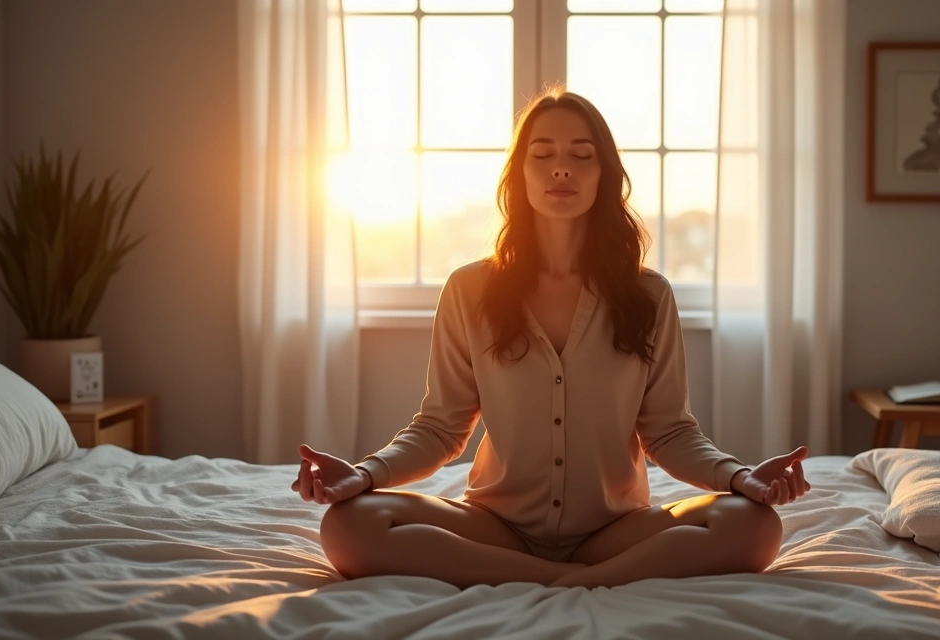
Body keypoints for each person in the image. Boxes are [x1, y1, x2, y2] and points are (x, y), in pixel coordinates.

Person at [292, 86, 811, 590]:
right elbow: (441, 428)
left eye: (582, 155)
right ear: (519, 173)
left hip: (615, 531)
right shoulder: (469, 289)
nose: (561, 168)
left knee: (756, 525)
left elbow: (670, 433)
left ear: (605, 174)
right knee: (347, 524)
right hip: (496, 527)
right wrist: (364, 476)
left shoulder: (648, 295)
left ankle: (564, 578)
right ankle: (574, 584)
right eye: (543, 154)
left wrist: (741, 479)